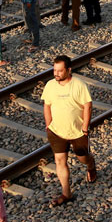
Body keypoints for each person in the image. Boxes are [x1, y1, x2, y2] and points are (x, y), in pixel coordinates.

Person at [42, 55, 97, 205]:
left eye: (60, 71)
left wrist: (85, 126)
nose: (56, 74)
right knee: (60, 161)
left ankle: (91, 165)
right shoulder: (50, 85)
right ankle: (66, 193)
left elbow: (87, 105)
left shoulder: (79, 85)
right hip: (56, 131)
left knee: (82, 157)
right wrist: (48, 124)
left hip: (77, 131)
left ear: (68, 70)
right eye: (55, 70)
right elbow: (47, 105)